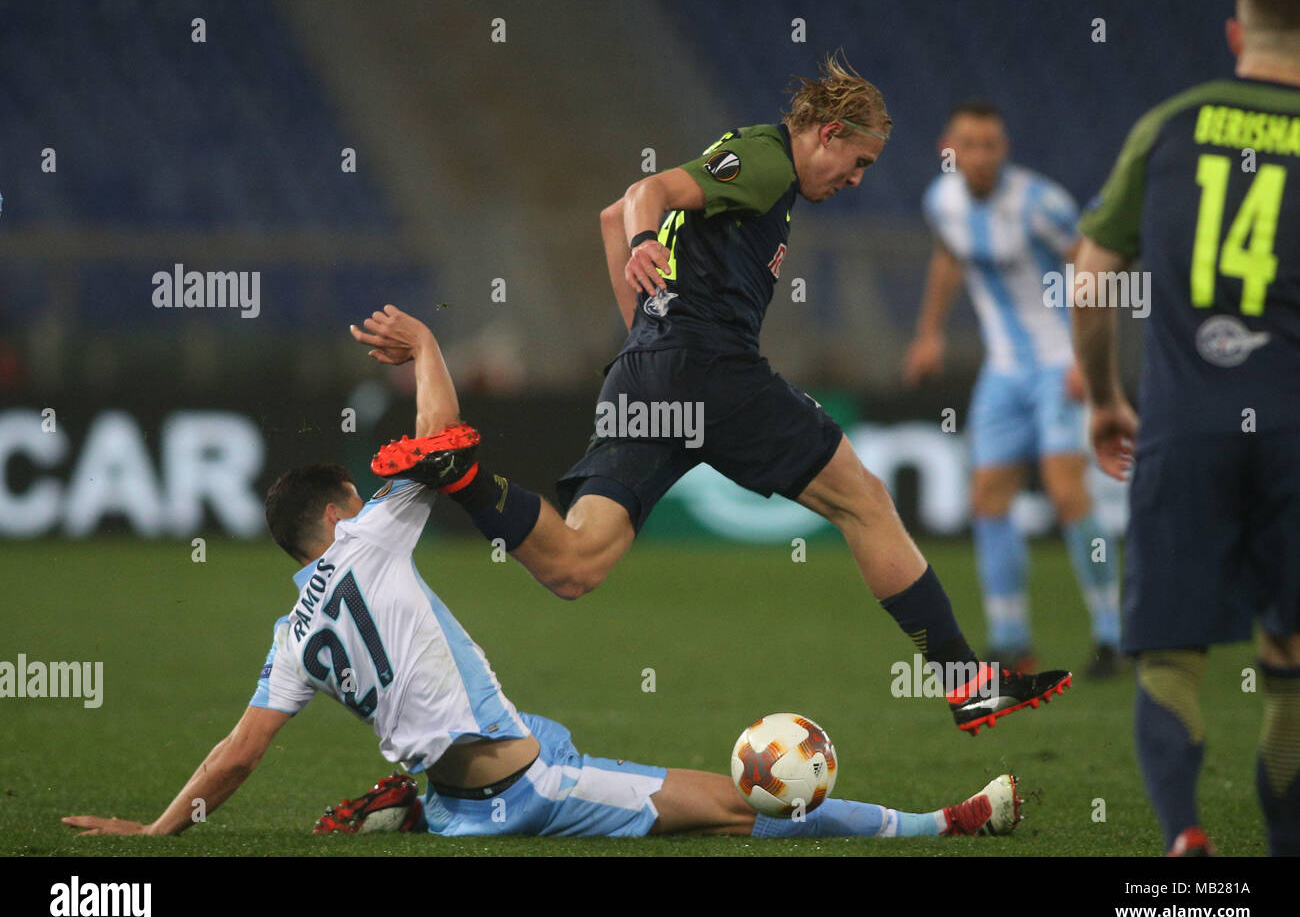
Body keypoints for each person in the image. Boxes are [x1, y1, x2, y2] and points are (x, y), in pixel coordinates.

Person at [61, 314, 1022, 842]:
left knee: (485, 747)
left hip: (460, 796)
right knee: (739, 807)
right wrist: (430, 347)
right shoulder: (369, 536)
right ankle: (944, 822)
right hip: (529, 789)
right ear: (341, 506)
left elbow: (237, 755)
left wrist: (156, 831)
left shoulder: (289, 638)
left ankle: (414, 795)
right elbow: (440, 446)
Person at [368, 53, 1072, 736]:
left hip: (649, 374)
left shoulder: (755, 167)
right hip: (714, 370)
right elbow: (639, 201)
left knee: (576, 564)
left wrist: (645, 336)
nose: (858, 179)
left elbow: (609, 218)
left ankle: (462, 476)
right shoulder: (767, 160)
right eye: (858, 161)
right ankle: (967, 684)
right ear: (828, 134)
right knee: (865, 502)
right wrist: (652, 254)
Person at [1071, 0, 1300, 855]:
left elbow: (1091, 281)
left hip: (1182, 427)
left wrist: (1103, 399)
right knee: (1291, 665)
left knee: (1170, 657)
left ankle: (1186, 841)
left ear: (1238, 35)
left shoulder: (1172, 123)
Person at [903, 102, 1121, 678]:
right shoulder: (941, 202)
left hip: (1058, 365)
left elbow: (1093, 269)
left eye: (992, 144)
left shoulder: (1041, 203)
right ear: (948, 148)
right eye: (969, 144)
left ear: (1005, 149)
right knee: (987, 499)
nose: (981, 155)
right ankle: (1009, 639)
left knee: (1066, 492)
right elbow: (949, 258)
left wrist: (1088, 358)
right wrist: (929, 333)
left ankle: (1113, 635)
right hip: (1003, 370)